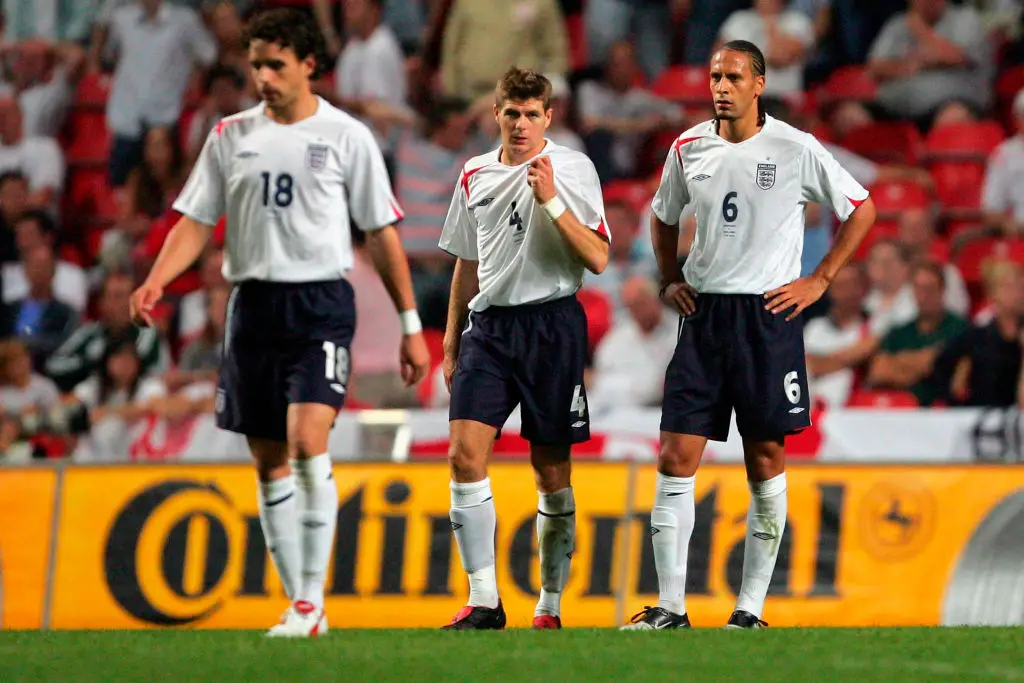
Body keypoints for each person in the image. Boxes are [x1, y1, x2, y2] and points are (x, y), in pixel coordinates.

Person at [128, 8, 430, 638]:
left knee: (305, 440)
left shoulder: (348, 136)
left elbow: (381, 233)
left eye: (275, 64)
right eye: (255, 64)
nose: (262, 76)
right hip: (253, 307)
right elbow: (193, 218)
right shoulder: (229, 134)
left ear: (309, 65)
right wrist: (158, 277)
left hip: (319, 303)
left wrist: (409, 322)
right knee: (267, 460)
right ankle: (301, 602)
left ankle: (310, 600)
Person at [622, 40, 875, 630]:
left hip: (769, 319)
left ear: (758, 84)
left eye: (733, 76)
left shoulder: (794, 147)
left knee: (764, 458)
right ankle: (671, 608)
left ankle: (750, 610)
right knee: (675, 455)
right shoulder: (688, 147)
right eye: (714, 75)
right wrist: (667, 278)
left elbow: (861, 208)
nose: (720, 86)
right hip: (704, 317)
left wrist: (820, 279)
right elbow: (662, 215)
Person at [438, 67, 610, 630]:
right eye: (511, 113)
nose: (520, 124)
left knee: (551, 470)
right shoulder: (474, 174)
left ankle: (550, 604)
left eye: (531, 113)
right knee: (464, 453)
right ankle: (484, 600)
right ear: (496, 114)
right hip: (487, 332)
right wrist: (449, 337)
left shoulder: (572, 168)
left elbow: (599, 257)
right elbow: (468, 257)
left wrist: (553, 201)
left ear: (549, 117)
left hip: (552, 327)